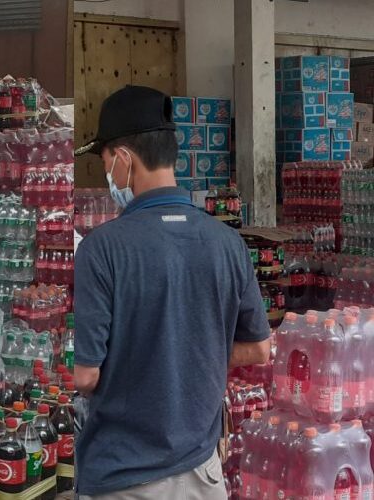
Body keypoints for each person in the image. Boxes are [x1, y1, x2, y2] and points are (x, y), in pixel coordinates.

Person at [73, 85, 271, 500]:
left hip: (124, 478)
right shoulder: (228, 243)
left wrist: (152, 358)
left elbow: (86, 376)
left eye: (106, 161)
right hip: (204, 476)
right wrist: (186, 355)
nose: (108, 174)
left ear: (124, 158)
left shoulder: (102, 248)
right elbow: (258, 349)